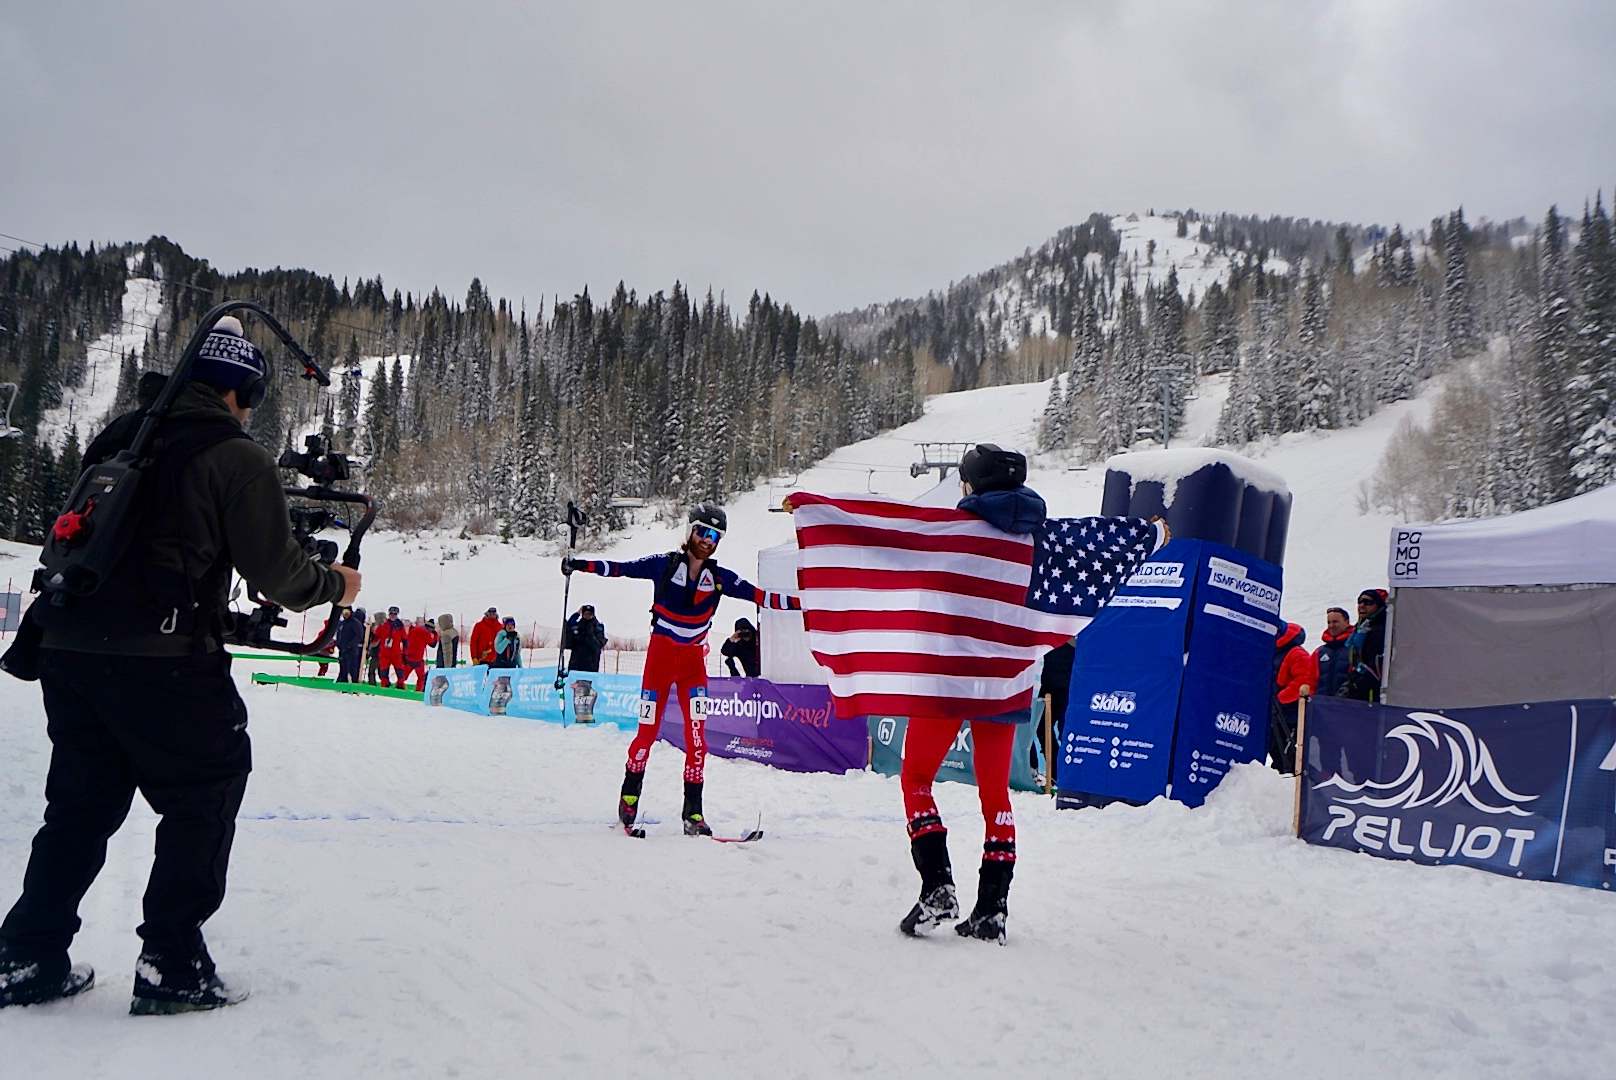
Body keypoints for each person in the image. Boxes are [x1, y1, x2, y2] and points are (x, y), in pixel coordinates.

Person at [0, 315, 361, 1012]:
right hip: (163, 662)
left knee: (78, 808)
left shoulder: (122, 438)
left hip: (71, 650)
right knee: (206, 789)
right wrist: (333, 586)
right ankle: (173, 963)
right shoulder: (234, 456)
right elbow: (280, 575)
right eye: (251, 400)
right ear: (239, 394)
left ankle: (26, 955)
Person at [787, 444, 1168, 944]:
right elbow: (1108, 540)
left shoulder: (949, 534)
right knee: (995, 794)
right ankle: (993, 909)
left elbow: (880, 531)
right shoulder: (1045, 540)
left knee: (916, 778)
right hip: (1008, 683)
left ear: (971, 486)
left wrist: (812, 508)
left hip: (947, 680)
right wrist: (1156, 532)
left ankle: (937, 886)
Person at [563, 504, 800, 836]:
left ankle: (694, 814)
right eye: (703, 532)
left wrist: (806, 604)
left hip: (692, 666)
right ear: (690, 531)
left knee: (697, 739)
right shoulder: (664, 565)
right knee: (646, 734)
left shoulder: (719, 578)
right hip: (660, 662)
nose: (708, 540)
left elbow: (761, 597)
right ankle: (629, 800)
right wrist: (578, 564)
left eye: (715, 536)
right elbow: (619, 568)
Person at [1270, 622, 1318, 774]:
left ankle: (1291, 775)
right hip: (1278, 711)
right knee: (1276, 746)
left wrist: (1279, 698)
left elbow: (1305, 680)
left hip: (1291, 711)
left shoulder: (1296, 653)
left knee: (1286, 748)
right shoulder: (1276, 652)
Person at [1340, 588, 1389, 702]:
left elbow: (1376, 661)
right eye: (1360, 602)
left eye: (1368, 602)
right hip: (1359, 685)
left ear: (1379, 605)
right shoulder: (1361, 628)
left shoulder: (1382, 629)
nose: (1361, 606)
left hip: (1374, 689)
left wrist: (1361, 681)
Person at [1313, 606, 1353, 698]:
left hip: (1349, 705)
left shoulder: (1354, 648)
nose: (1331, 625)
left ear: (1347, 622)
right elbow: (1310, 681)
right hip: (1322, 706)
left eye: (1335, 622)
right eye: (1329, 622)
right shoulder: (1319, 652)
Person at [563, 604, 606, 673]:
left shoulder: (598, 627)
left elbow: (598, 646)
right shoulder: (578, 626)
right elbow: (569, 627)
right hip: (575, 665)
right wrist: (577, 614)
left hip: (591, 667)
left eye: (589, 614)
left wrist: (590, 633)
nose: (587, 616)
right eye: (585, 614)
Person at [401, 616, 440, 692]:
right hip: (417, 659)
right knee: (421, 678)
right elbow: (433, 644)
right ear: (430, 628)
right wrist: (435, 635)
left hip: (408, 657)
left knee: (403, 676)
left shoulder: (414, 629)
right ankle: (418, 691)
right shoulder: (426, 633)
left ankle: (399, 688)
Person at [376, 606, 407, 687]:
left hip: (396, 653)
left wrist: (405, 652)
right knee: (384, 671)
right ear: (389, 615)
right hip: (384, 653)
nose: (393, 616)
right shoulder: (383, 625)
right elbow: (376, 636)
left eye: (395, 614)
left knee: (400, 671)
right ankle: (385, 685)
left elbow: (405, 639)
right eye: (391, 614)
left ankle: (400, 685)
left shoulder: (400, 626)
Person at [335, 607, 366, 685]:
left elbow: (359, 636)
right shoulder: (342, 623)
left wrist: (350, 645)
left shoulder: (355, 623)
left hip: (351, 650)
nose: (345, 614)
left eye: (347, 612)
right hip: (342, 650)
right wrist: (338, 644)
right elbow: (338, 635)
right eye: (344, 612)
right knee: (343, 669)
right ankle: (342, 685)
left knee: (353, 669)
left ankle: (354, 686)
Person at [363, 609, 386, 685]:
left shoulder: (381, 629)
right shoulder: (381, 628)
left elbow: (375, 642)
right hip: (378, 653)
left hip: (377, 653)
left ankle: (373, 685)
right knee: (379, 671)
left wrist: (370, 646)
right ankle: (383, 684)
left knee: (372, 671)